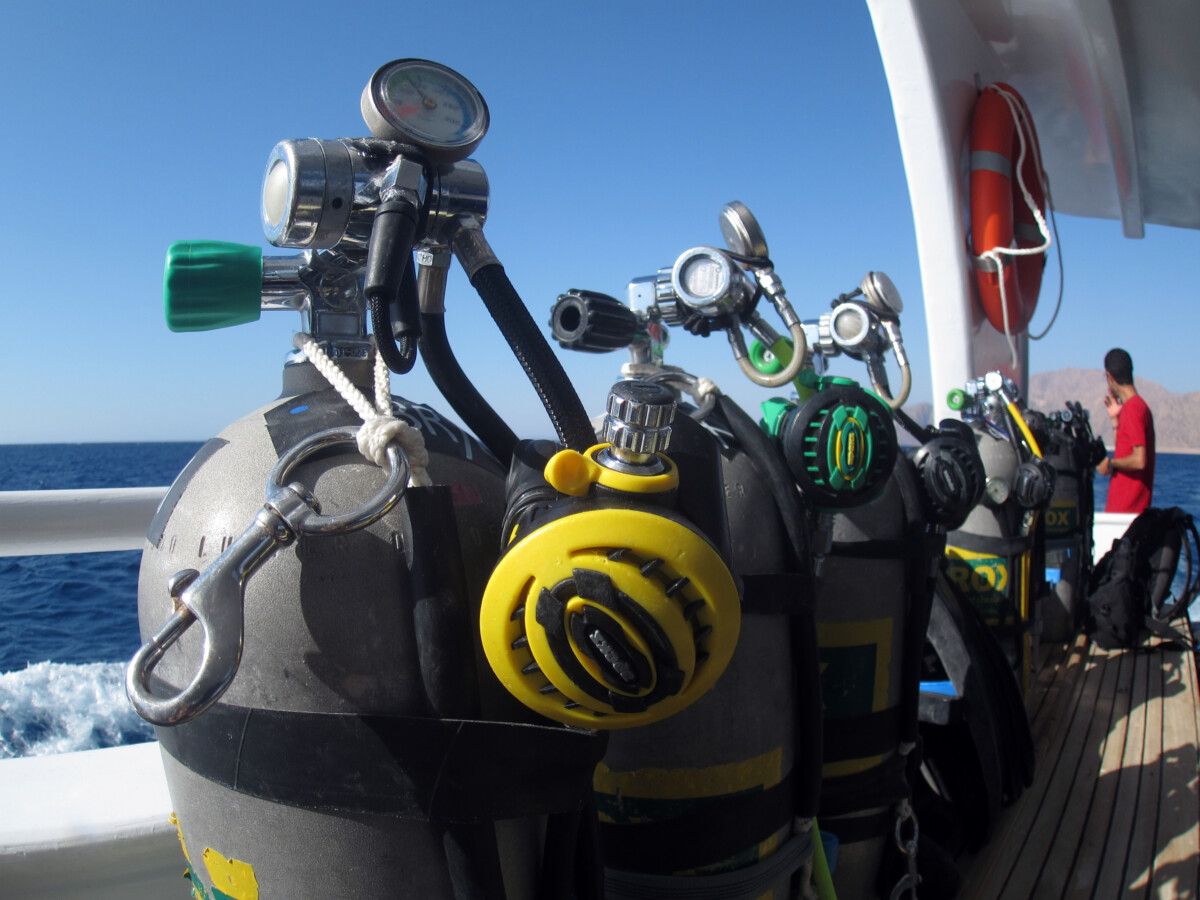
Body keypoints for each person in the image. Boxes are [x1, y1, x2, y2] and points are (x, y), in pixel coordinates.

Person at [1095, 347, 1155, 513]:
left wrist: (1110, 464)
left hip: (1126, 513)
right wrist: (1115, 420)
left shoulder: (1133, 409)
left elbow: (1139, 460)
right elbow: (1126, 451)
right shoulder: (1137, 407)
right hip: (1130, 512)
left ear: (1110, 377)